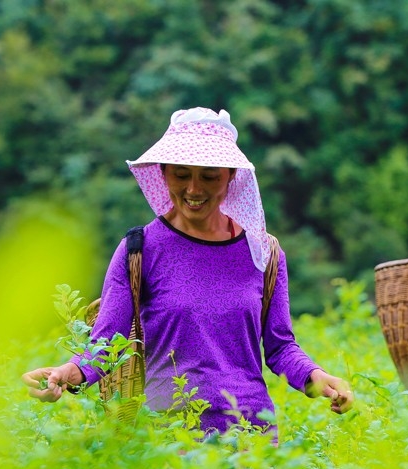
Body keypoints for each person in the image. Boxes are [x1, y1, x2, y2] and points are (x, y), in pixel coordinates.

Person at [22, 107, 353, 437]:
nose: (194, 189)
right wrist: (66, 374)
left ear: (231, 177)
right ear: (164, 174)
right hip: (170, 438)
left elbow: (280, 347)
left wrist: (317, 378)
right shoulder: (139, 250)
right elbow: (106, 345)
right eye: (181, 174)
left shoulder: (264, 253)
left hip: (252, 437)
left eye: (209, 176)